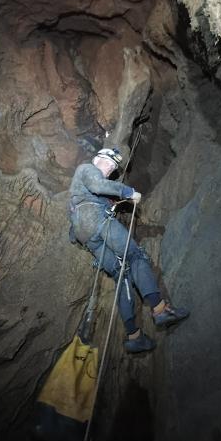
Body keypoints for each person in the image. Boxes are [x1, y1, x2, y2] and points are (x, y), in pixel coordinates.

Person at [69, 147, 189, 353]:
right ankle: (160, 310)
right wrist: (128, 192)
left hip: (86, 235)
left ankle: (134, 336)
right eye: (108, 163)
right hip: (96, 220)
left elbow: (78, 220)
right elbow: (98, 185)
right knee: (135, 256)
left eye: (113, 167)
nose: (110, 169)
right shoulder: (87, 168)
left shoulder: (81, 191)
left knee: (121, 274)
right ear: (97, 159)